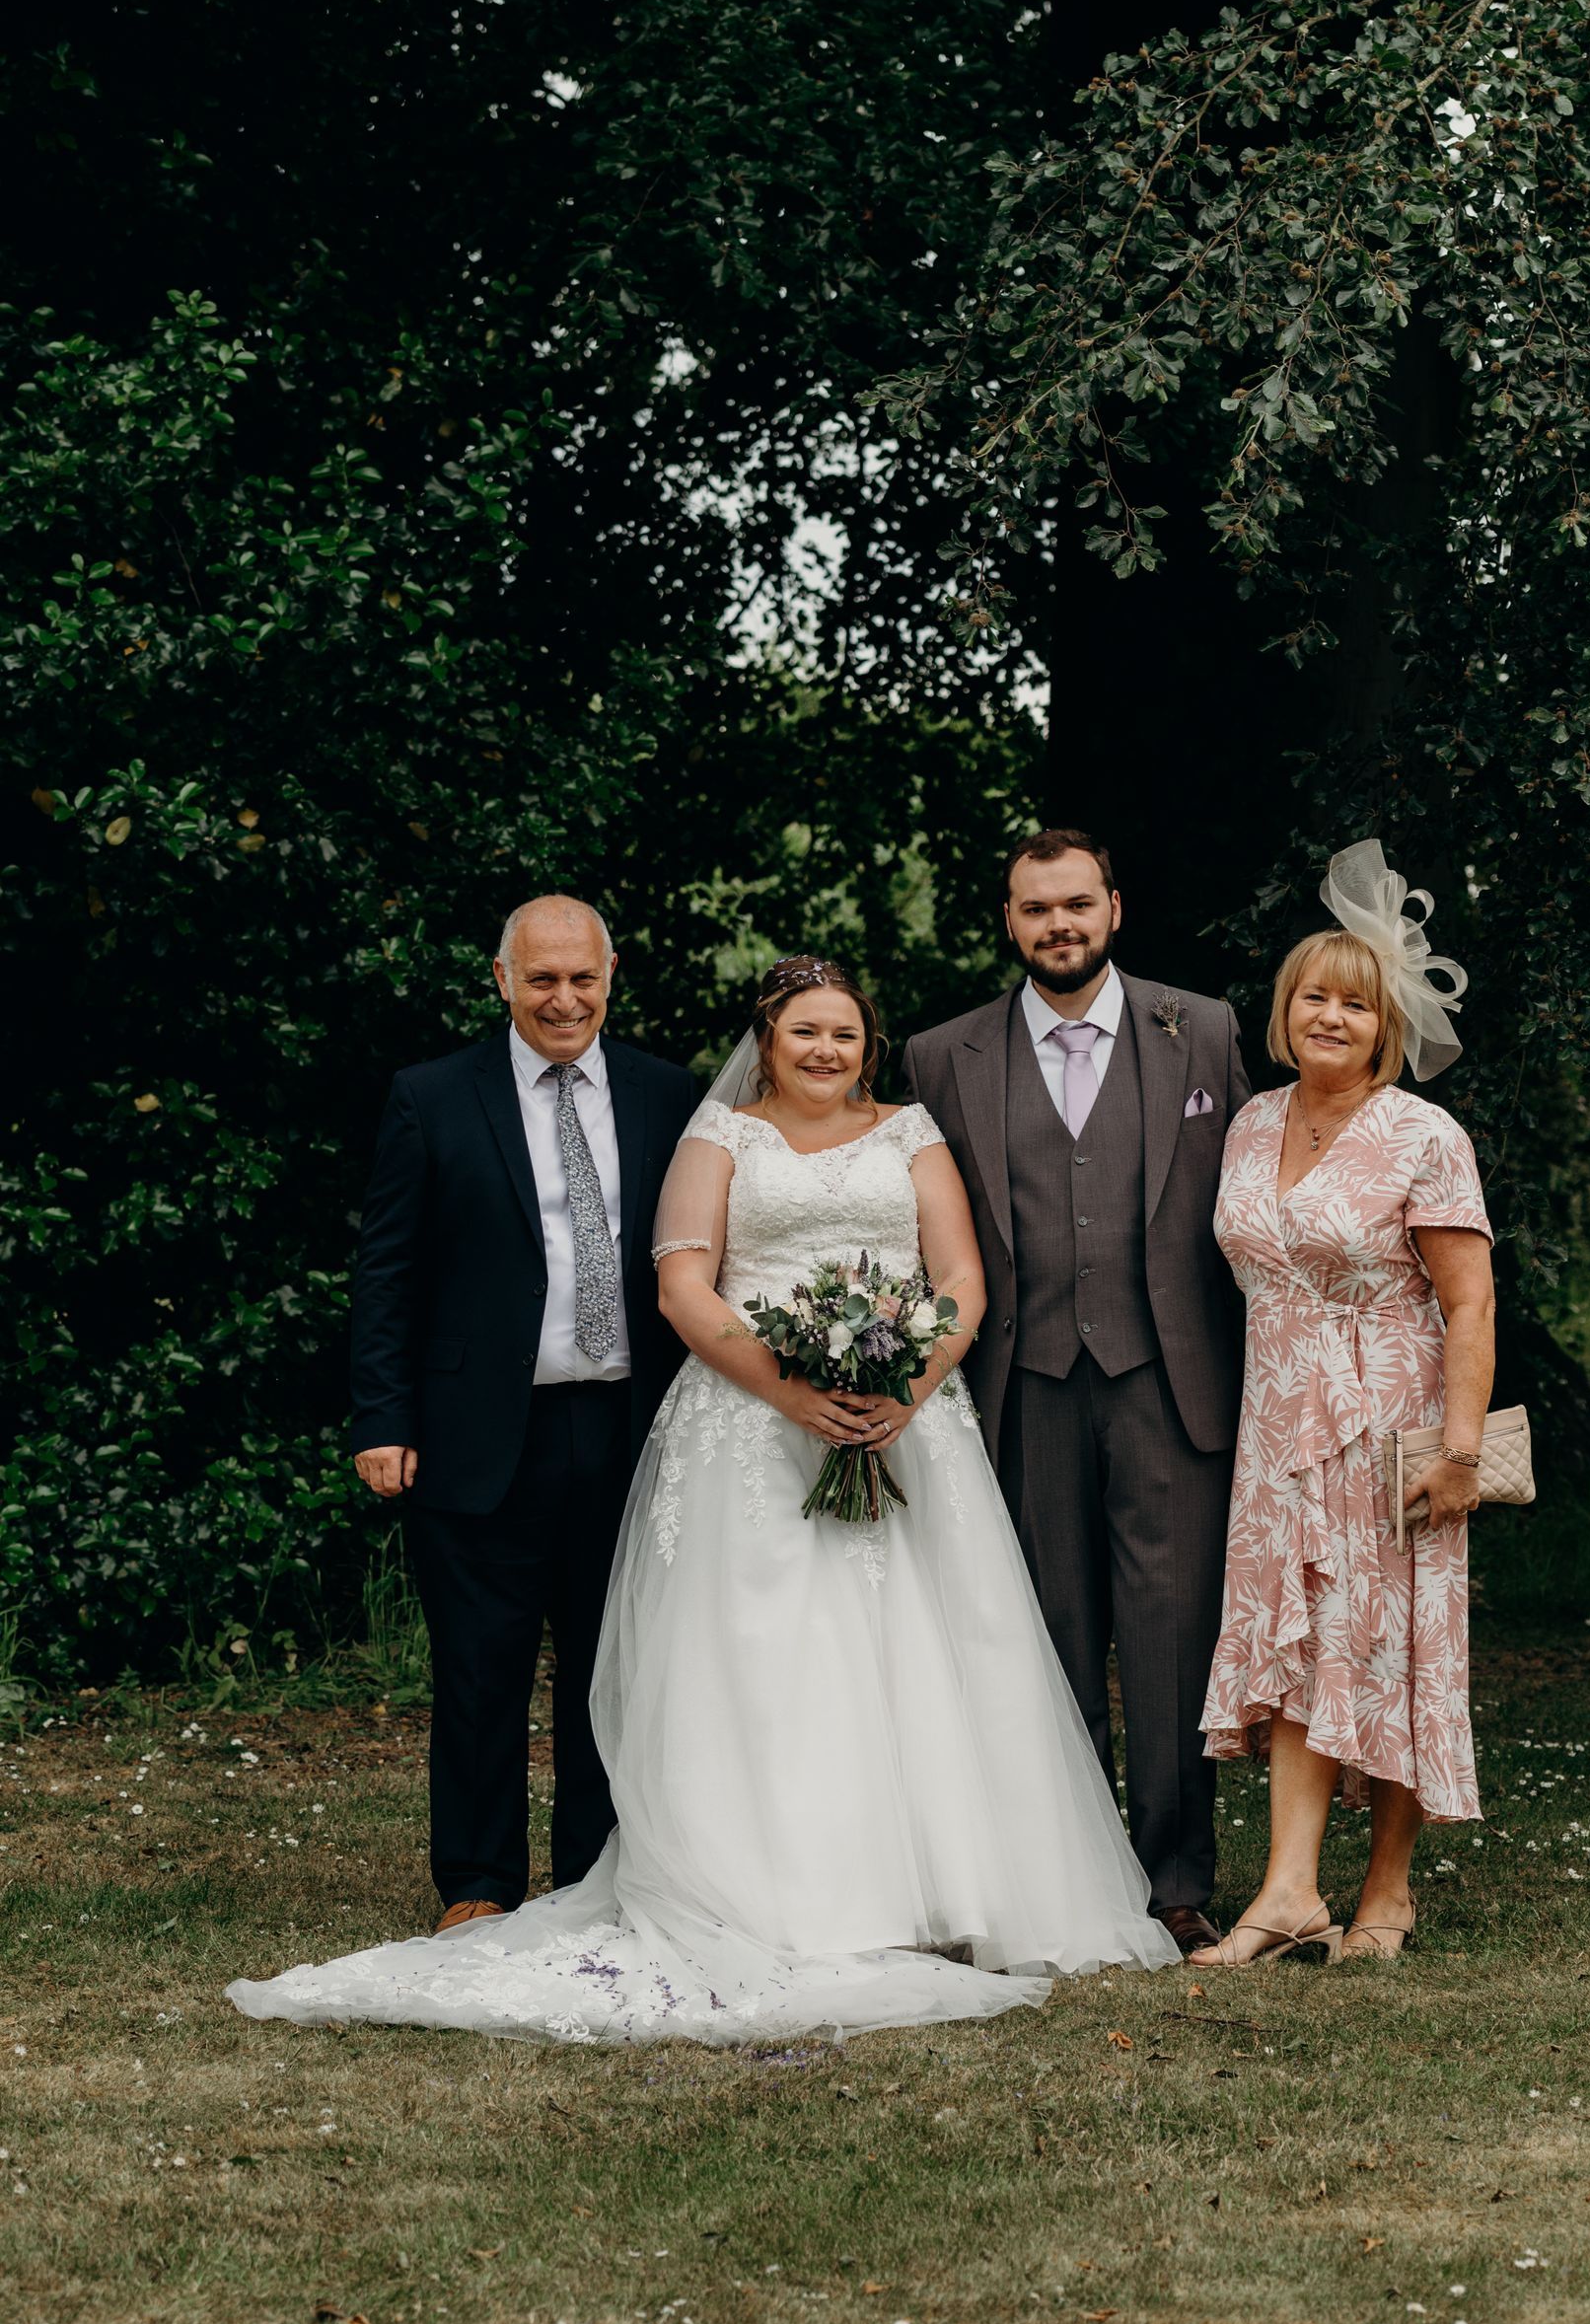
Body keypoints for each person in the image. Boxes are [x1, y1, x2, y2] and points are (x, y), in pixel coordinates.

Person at [229, 957, 1174, 2044]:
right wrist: (794, 1392)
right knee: (762, 1652)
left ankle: (940, 1891)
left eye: (845, 1034)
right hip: (748, 1429)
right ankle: (756, 1889)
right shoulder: (718, 1133)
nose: (825, 1050)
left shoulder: (912, 1134)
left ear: (870, 1046)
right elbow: (683, 1286)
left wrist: (903, 1392)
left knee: (922, 1648)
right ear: (767, 1039)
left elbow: (959, 1278)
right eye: (805, 1031)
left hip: (904, 1426)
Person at [903, 830, 1249, 1955]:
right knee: (1044, 1640)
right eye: (1036, 908)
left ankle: (1176, 1881)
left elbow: (1255, 1197)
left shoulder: (1202, 1029)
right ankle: (1066, 1881)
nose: (1059, 925)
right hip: (1021, 1384)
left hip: (1169, 1383)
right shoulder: (942, 1057)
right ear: (1010, 921)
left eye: (1077, 904)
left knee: (1171, 1638)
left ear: (1114, 908)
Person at [344, 894, 697, 1931]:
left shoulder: (666, 1093)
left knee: (611, 1665)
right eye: (541, 978)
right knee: (478, 1669)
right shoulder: (431, 1096)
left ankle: (593, 1877)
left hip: (629, 1426)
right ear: (503, 980)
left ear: (611, 975)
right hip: (478, 1429)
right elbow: (388, 1272)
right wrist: (381, 1417)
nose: (564, 998)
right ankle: (479, 1880)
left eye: (582, 977)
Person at [1193, 838, 1495, 1968]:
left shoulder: (1424, 1135)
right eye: (1313, 997)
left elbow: (1470, 1303)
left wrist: (1458, 1452)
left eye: (1355, 1005)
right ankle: (1287, 1895)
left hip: (1388, 1423)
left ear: (1387, 1026)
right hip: (1277, 1428)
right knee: (1300, 1643)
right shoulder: (1250, 1122)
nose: (1331, 1017)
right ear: (1285, 1011)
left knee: (1386, 1645)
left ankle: (1388, 1892)